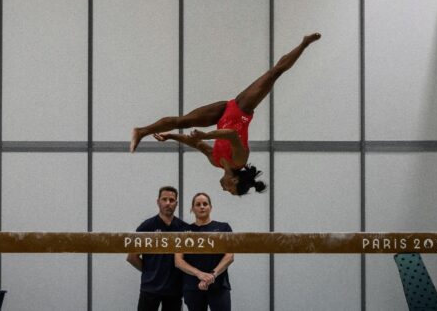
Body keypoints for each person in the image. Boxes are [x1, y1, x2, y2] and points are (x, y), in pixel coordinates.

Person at [130, 33, 321, 195]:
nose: (224, 190)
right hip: (241, 110)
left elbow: (195, 143)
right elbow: (231, 134)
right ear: (235, 182)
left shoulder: (216, 162)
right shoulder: (239, 160)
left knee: (182, 122)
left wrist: (171, 136)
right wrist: (206, 134)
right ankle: (304, 43)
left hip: (222, 114)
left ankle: (141, 131)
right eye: (230, 191)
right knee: (274, 74)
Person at [127, 186, 190, 311]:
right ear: (158, 202)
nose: (168, 203)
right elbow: (132, 257)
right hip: (150, 288)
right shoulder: (146, 226)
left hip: (174, 289)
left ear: (176, 204)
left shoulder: (183, 228)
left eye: (171, 200)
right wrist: (149, 271)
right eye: (164, 199)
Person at [174, 192, 234, 311]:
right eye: (198, 204)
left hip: (218, 285)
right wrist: (199, 274)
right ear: (192, 209)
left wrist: (212, 274)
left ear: (210, 207)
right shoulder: (184, 231)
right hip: (193, 286)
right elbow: (178, 261)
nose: (202, 206)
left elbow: (230, 256)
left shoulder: (223, 228)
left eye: (205, 204)